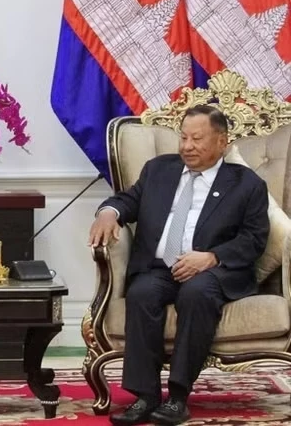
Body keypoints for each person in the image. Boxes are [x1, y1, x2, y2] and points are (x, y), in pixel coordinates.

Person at [88, 105, 269, 426]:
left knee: (196, 293)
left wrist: (211, 257)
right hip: (159, 268)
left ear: (221, 141)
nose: (187, 146)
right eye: (183, 137)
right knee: (142, 292)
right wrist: (108, 212)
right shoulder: (158, 170)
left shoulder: (246, 183)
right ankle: (144, 396)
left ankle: (178, 396)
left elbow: (254, 240)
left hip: (214, 271)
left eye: (197, 139)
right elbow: (128, 200)